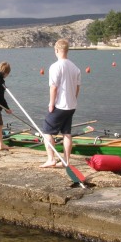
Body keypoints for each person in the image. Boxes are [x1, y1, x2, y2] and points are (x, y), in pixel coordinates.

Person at [40, 39, 81, 168]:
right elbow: (77, 88)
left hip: (60, 105)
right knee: (66, 133)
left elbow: (53, 87)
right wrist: (73, 99)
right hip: (71, 105)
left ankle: (51, 159)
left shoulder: (55, 66)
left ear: (56, 50)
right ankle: (66, 161)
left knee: (47, 131)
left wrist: (51, 104)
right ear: (67, 51)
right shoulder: (75, 68)